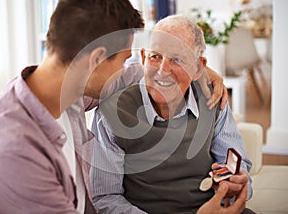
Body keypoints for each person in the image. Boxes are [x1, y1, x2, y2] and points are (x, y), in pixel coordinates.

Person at [0, 0, 228, 213]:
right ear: (96, 59)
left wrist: (197, 70)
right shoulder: (16, 153)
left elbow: (139, 73)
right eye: (122, 60)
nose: (124, 69)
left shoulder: (68, 92)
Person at [90, 15, 253, 214]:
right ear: (143, 58)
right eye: (155, 56)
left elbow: (238, 165)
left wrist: (237, 184)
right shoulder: (111, 113)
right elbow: (105, 197)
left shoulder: (213, 99)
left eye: (177, 59)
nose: (162, 71)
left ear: (199, 67)